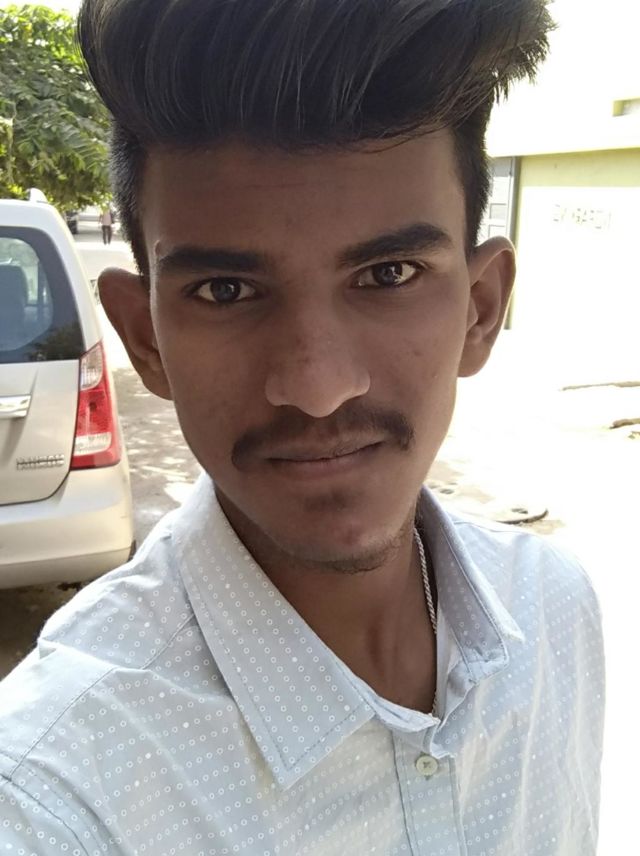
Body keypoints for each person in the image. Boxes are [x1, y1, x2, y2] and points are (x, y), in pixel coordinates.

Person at [0, 1, 605, 854]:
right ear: (146, 340)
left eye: (388, 274)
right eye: (226, 292)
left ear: (480, 310)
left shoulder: (557, 612)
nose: (317, 389)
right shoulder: (55, 795)